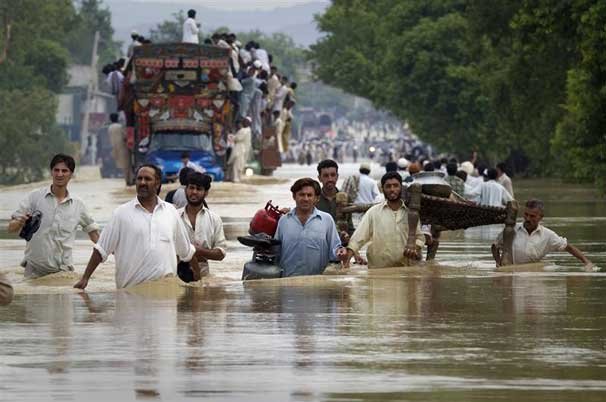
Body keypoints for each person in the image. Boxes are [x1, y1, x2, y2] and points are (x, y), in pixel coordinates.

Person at [73, 165, 197, 290]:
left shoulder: (171, 212)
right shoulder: (121, 214)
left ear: (158, 183)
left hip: (166, 297)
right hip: (130, 295)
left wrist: (199, 279)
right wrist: (85, 278)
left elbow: (186, 251)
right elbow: (101, 250)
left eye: (147, 179)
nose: (142, 182)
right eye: (139, 179)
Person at [8, 154, 99, 278]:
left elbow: (94, 235)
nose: (59, 174)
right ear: (51, 172)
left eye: (64, 171)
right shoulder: (35, 198)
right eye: (56, 170)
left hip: (63, 274)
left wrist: (115, 252)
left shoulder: (78, 205)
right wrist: (19, 223)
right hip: (34, 272)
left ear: (71, 175)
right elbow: (11, 228)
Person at [344, 172, 425, 269]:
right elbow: (358, 239)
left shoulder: (411, 214)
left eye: (395, 186)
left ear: (401, 188)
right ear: (382, 189)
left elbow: (420, 238)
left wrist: (414, 248)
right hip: (378, 272)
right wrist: (346, 263)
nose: (392, 189)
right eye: (388, 186)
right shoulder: (373, 212)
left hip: (406, 270)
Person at [274, 178, 348, 277]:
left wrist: (341, 252)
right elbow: (275, 252)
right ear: (294, 196)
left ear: (316, 198)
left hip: (317, 284)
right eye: (301, 194)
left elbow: (335, 249)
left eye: (309, 195)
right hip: (288, 283)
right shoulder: (283, 221)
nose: (305, 198)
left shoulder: (326, 220)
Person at [492, 199, 594, 270]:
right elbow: (495, 246)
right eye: (526, 214)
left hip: (532, 273)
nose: (528, 219)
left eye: (532, 216)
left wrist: (587, 262)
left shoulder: (548, 235)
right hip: (510, 271)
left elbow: (569, 248)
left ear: (541, 217)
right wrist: (498, 263)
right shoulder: (511, 230)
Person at [177, 172, 226, 280]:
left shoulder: (214, 219)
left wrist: (197, 250)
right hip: (176, 275)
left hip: (203, 278)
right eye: (191, 188)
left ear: (206, 193)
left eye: (199, 189)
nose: (194, 192)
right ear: (186, 190)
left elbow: (221, 253)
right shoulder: (174, 216)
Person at [315, 159, 354, 240]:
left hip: (341, 246)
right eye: (326, 176)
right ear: (319, 178)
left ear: (337, 176)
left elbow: (350, 226)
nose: (330, 179)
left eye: (333, 175)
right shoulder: (313, 199)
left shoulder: (346, 198)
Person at [228, 117, 252, 182]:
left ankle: (235, 178)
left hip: (240, 149)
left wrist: (231, 136)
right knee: (239, 165)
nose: (243, 122)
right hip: (242, 150)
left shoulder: (244, 130)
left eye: (245, 121)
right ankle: (236, 178)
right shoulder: (247, 130)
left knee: (237, 165)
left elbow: (237, 138)